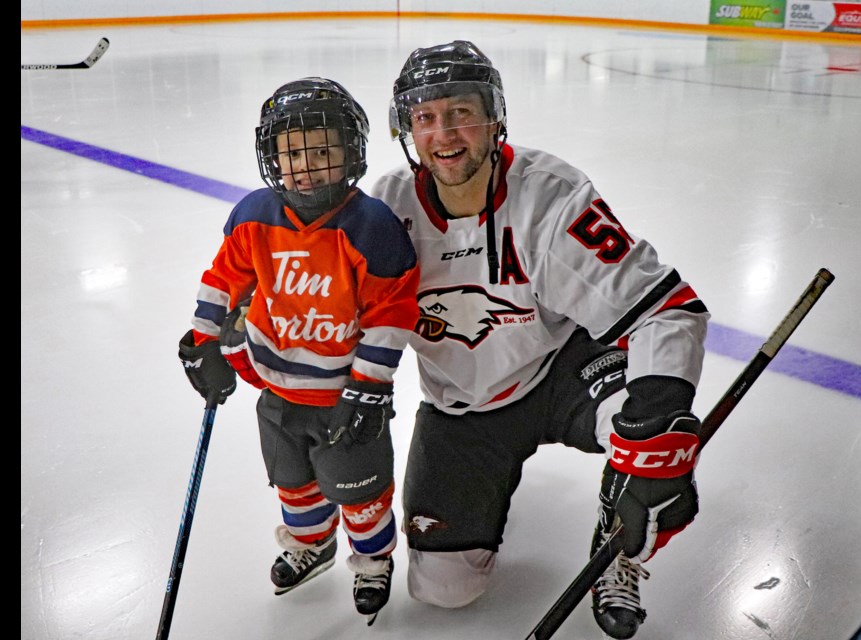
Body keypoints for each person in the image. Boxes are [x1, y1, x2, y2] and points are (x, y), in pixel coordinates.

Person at [371, 41, 709, 639]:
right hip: (464, 405)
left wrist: (657, 430)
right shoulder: (387, 208)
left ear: (495, 118)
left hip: (563, 371)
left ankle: (617, 538)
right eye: (425, 117)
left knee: (639, 425)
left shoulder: (549, 194)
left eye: (461, 112)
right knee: (444, 589)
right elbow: (346, 317)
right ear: (407, 129)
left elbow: (666, 312)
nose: (444, 133)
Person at [176, 77, 420, 624]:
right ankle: (312, 544)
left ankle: (371, 560)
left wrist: (370, 385)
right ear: (271, 158)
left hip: (344, 396)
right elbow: (223, 280)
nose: (304, 166)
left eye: (321, 152)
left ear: (350, 154)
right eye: (290, 154)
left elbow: (391, 311)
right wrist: (202, 339)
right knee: (293, 483)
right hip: (277, 391)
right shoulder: (254, 215)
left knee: (361, 492)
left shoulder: (371, 227)